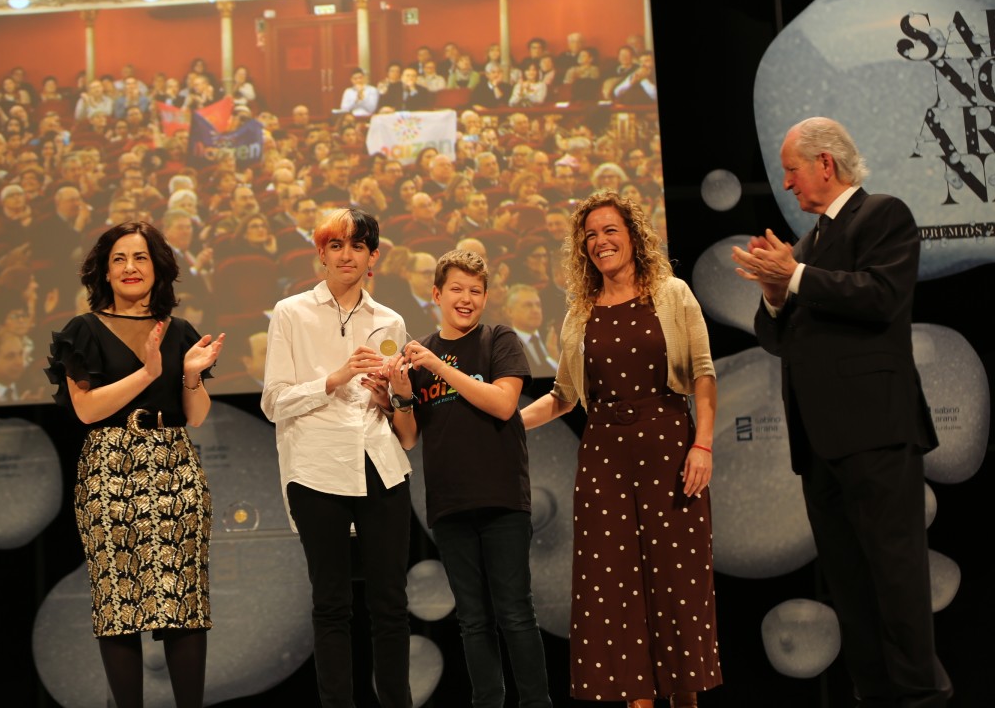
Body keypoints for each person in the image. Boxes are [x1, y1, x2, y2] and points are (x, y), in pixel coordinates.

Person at [731, 116, 951, 708]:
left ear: (825, 164)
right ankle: (875, 696)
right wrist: (775, 294)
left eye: (793, 170)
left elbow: (881, 296)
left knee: (896, 578)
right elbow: (776, 338)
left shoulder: (882, 215)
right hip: (819, 441)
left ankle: (920, 698)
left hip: (876, 431)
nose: (787, 183)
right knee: (850, 587)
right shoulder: (808, 245)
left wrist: (795, 275)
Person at [521, 191, 720, 708]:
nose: (600, 241)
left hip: (669, 448)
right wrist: (509, 424)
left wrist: (702, 444)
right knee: (614, 586)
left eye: (610, 230)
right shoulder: (578, 313)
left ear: (633, 235)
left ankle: (685, 700)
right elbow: (563, 396)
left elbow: (703, 374)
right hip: (605, 458)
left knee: (677, 582)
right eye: (590, 235)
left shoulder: (671, 294)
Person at [44, 220, 225, 708]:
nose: (130, 267)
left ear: (157, 268)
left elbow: (196, 416)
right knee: (118, 601)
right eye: (119, 259)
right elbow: (86, 410)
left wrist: (190, 377)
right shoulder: (81, 331)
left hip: (175, 466)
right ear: (104, 271)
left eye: (140, 257)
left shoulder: (179, 331)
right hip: (110, 469)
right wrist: (148, 372)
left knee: (184, 599)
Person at [383, 249, 553, 708]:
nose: (466, 298)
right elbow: (408, 438)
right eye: (456, 289)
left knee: (515, 612)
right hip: (449, 504)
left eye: (475, 291)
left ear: (485, 297)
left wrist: (439, 366)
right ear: (436, 294)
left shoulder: (500, 339)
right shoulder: (418, 353)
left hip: (502, 499)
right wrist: (402, 396)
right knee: (473, 620)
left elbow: (503, 404)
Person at [261, 208, 414, 708]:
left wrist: (390, 396)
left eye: (358, 246)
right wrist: (336, 377)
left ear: (373, 257)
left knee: (390, 603)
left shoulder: (390, 320)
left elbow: (397, 412)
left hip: (381, 464)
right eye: (336, 245)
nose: (347, 255)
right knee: (331, 603)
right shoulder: (291, 312)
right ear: (321, 254)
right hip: (316, 466)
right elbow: (273, 402)